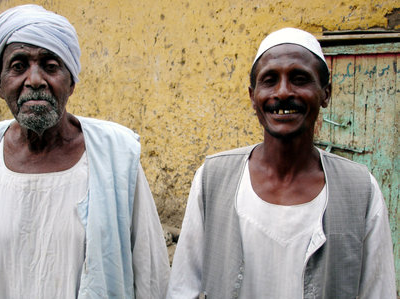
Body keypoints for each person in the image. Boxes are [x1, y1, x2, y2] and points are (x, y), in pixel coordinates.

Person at [166, 27, 396, 299]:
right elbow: (183, 288)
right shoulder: (213, 179)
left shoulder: (359, 190)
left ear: (325, 93)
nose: (283, 92)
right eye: (270, 80)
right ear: (253, 96)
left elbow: (378, 291)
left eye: (300, 79)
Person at [0, 4, 169, 299]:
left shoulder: (115, 155)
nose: (35, 80)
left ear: (71, 82)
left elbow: (151, 273)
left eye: (50, 65)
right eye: (19, 66)